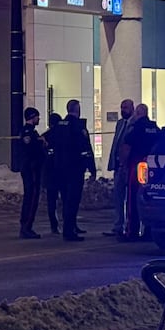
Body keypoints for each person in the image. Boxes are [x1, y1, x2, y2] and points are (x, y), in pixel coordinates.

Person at [57, 99, 96, 242]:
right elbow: (86, 147)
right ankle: (69, 230)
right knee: (73, 200)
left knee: (66, 198)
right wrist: (92, 168)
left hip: (61, 168)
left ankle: (71, 226)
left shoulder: (60, 125)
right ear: (77, 109)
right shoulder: (78, 127)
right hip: (75, 168)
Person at [120, 102, 160, 241]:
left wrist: (123, 164)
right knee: (149, 198)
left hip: (137, 166)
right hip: (152, 167)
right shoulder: (154, 128)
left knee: (133, 198)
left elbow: (126, 146)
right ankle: (149, 232)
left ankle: (132, 231)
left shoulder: (136, 128)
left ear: (137, 113)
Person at [14, 106, 46, 239]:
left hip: (31, 168)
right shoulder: (29, 133)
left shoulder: (31, 132)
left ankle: (27, 226)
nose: (39, 119)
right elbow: (32, 152)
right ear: (32, 117)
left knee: (32, 197)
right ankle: (26, 226)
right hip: (31, 169)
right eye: (37, 117)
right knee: (31, 197)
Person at [104, 98, 134, 237]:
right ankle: (118, 225)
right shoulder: (120, 123)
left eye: (126, 108)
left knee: (129, 197)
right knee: (118, 196)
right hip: (118, 166)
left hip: (129, 166)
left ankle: (130, 225)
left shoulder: (135, 124)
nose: (123, 110)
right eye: (122, 108)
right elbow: (116, 144)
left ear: (132, 108)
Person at [42, 112, 64, 233]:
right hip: (62, 172)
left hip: (50, 173)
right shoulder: (63, 136)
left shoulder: (45, 136)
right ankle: (68, 224)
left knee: (52, 201)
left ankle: (54, 226)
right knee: (66, 199)